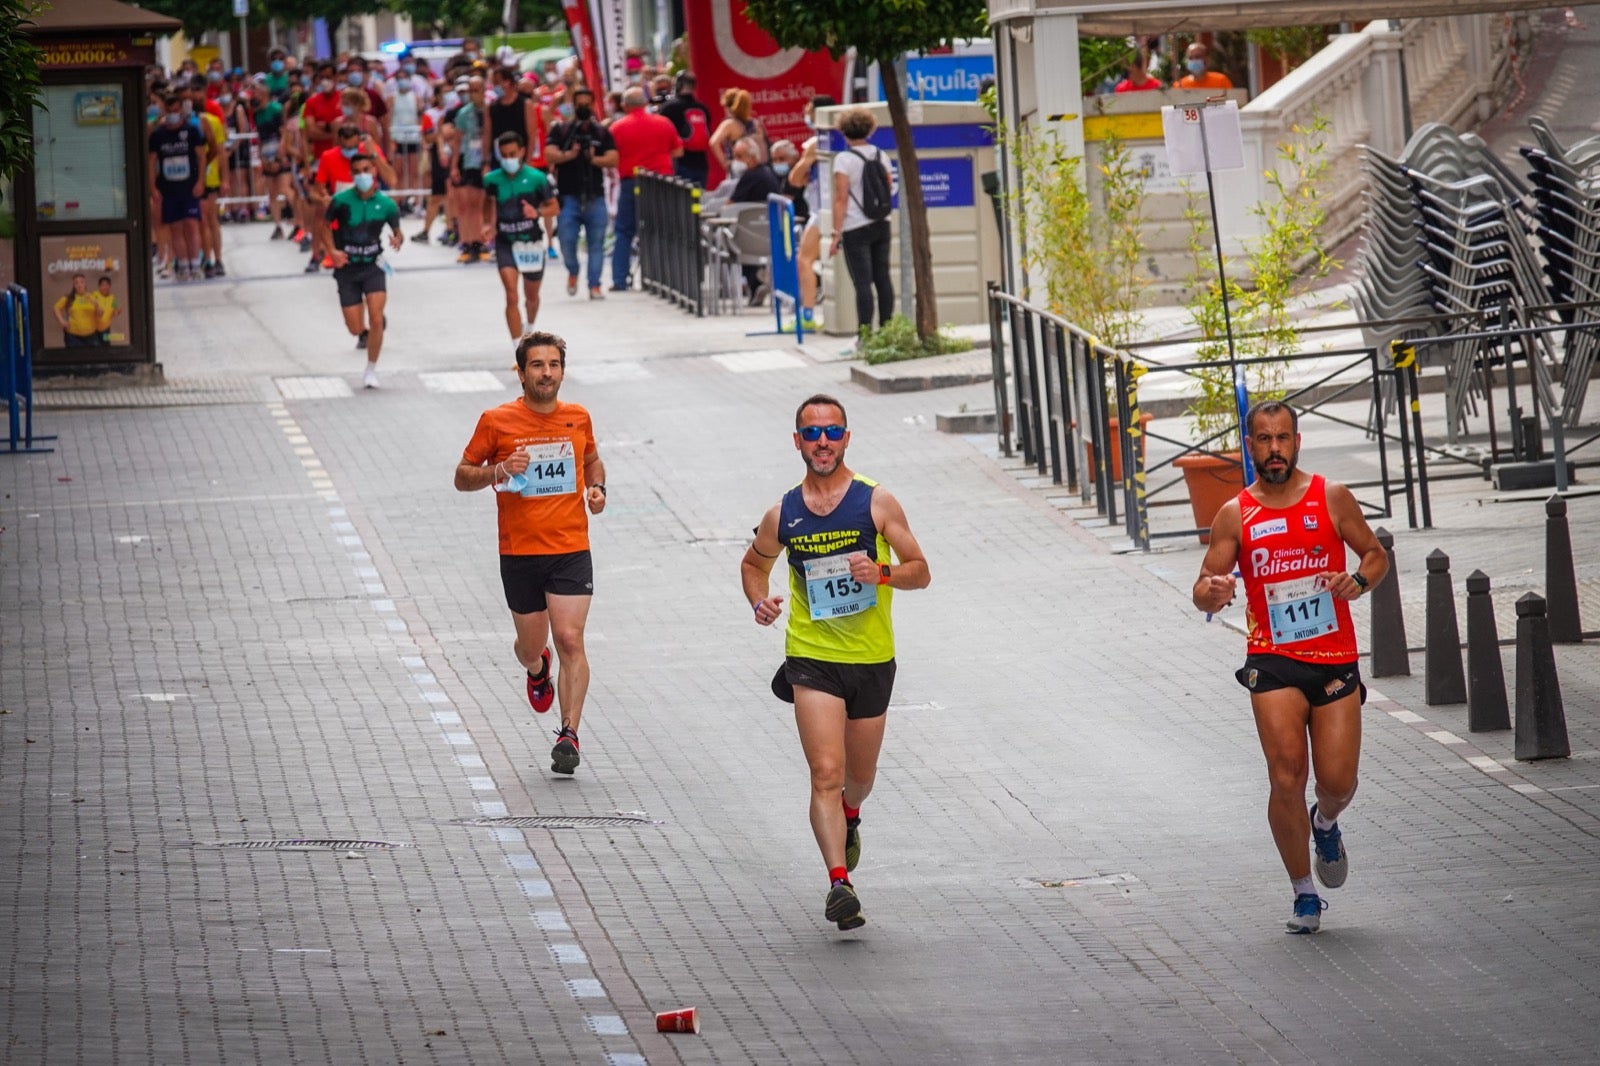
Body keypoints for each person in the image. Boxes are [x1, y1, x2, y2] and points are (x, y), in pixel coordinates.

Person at [1191, 402, 1388, 934]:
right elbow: (1205, 588)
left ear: (1297, 441)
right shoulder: (1235, 513)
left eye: (1282, 438)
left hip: (1333, 658)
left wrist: (1359, 582)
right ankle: (1304, 892)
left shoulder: (1331, 497)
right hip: (1272, 661)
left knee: (1338, 781)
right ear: (1248, 446)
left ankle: (1325, 823)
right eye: (1262, 439)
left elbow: (1374, 555)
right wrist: (1211, 593)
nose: (1273, 449)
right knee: (1285, 777)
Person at [740, 394, 931, 931]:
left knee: (858, 777)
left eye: (832, 433)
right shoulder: (783, 513)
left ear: (847, 439)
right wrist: (760, 601)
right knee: (826, 771)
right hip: (811, 657)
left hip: (871, 659)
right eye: (811, 433)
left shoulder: (876, 503)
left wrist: (883, 574)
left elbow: (921, 570)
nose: (822, 442)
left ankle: (852, 816)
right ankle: (839, 883)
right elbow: (753, 564)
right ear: (797, 441)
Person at [454, 330, 607, 776]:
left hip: (570, 549)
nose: (547, 373)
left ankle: (569, 734)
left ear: (562, 370)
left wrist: (597, 489)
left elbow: (593, 461)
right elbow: (462, 476)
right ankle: (537, 669)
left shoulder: (577, 417)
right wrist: (498, 470)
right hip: (519, 553)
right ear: (520, 373)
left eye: (554, 365)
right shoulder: (496, 420)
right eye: (537, 366)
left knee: (571, 640)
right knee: (532, 647)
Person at [325, 152, 403, 389]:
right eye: (357, 171)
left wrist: (398, 240)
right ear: (351, 174)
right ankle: (364, 330)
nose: (362, 175)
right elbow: (323, 227)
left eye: (366, 170)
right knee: (355, 328)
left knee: (376, 319)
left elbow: (398, 232)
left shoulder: (387, 204)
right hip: (347, 268)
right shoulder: (340, 201)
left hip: (373, 266)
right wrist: (332, 251)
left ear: (374, 171)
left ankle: (370, 370)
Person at [481, 131, 558, 338]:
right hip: (505, 242)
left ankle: (530, 327)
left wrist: (538, 212)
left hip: (531, 242)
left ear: (522, 152)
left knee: (531, 296)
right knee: (511, 296)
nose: (508, 159)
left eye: (512, 154)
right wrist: (488, 224)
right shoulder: (491, 180)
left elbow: (555, 207)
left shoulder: (537, 178)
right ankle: (517, 348)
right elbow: (487, 203)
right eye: (504, 155)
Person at [606, 86, 682, 292]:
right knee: (662, 230)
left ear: (625, 105)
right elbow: (678, 150)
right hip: (661, 183)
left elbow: (611, 158)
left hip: (632, 182)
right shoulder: (663, 123)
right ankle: (665, 278)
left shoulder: (617, 128)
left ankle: (620, 279)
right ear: (646, 103)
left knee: (624, 232)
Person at [545, 86, 617, 299]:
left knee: (597, 244)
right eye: (580, 104)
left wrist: (594, 159)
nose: (584, 108)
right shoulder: (562, 130)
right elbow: (550, 155)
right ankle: (573, 271)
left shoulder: (601, 132)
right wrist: (570, 154)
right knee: (567, 241)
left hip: (595, 196)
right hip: (569, 197)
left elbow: (614, 158)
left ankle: (594, 285)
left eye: (588, 103)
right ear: (573, 105)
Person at [830, 107, 895, 335]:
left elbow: (841, 198)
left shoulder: (843, 159)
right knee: (883, 279)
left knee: (862, 283)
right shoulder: (880, 154)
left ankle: (865, 335)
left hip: (855, 227)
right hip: (881, 223)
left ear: (843, 131)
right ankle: (887, 332)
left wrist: (836, 234)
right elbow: (889, 186)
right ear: (869, 129)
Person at [148, 92, 209, 282]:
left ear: (181, 111)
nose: (174, 114)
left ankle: (195, 265)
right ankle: (182, 267)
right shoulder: (158, 134)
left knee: (191, 225)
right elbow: (151, 162)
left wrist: (201, 181)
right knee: (175, 227)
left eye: (177, 110)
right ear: (165, 111)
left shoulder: (191, 130)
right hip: (168, 188)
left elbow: (201, 156)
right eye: (170, 111)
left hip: (189, 186)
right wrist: (153, 188)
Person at [789, 95, 833, 331]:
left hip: (820, 211)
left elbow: (794, 179)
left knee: (804, 260)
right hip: (832, 209)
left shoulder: (816, 144)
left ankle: (806, 315)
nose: (806, 115)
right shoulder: (839, 137)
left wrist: (805, 162)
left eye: (808, 111)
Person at [447, 76, 491, 264]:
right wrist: (454, 165)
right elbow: (457, 140)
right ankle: (467, 242)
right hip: (468, 161)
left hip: (486, 161)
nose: (473, 94)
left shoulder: (491, 110)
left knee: (483, 204)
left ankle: (482, 242)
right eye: (471, 90)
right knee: (466, 204)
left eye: (477, 90)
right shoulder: (464, 113)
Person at [655, 72, 714, 186]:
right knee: (698, 200)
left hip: (679, 164)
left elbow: (659, 133)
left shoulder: (669, 108)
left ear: (678, 85)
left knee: (682, 202)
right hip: (701, 163)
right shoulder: (702, 108)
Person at [710, 87, 768, 175]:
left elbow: (713, 142)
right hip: (758, 169)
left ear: (728, 107)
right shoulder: (756, 124)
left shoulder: (729, 124)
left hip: (739, 170)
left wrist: (726, 163)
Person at [53, 274, 102, 347]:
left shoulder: (93, 297)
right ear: (74, 285)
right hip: (73, 337)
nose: (79, 285)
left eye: (82, 282)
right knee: (73, 358)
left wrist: (96, 305)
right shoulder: (68, 298)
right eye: (76, 283)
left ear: (85, 284)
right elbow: (56, 307)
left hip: (91, 336)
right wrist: (61, 321)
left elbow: (100, 314)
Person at [92, 275, 122, 345]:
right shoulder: (95, 295)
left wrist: (118, 311)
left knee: (106, 349)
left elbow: (116, 311)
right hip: (94, 330)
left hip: (106, 330)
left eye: (106, 285)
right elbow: (89, 302)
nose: (104, 287)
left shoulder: (113, 298)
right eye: (102, 285)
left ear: (110, 286)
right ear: (99, 287)